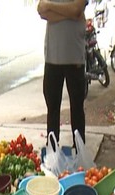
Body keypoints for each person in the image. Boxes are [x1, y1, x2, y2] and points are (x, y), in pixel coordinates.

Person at [38, 0, 87, 144]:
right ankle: (52, 149)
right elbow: (42, 11)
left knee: (77, 108)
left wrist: (51, 7)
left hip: (75, 57)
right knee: (52, 108)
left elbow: (76, 9)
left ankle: (79, 150)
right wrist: (70, 13)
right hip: (52, 57)